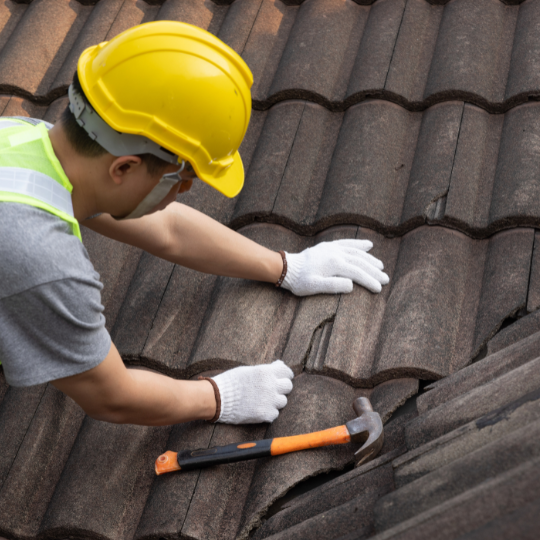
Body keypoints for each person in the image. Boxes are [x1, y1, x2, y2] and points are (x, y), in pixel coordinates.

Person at [0, 21, 389, 427]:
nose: (180, 193)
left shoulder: (24, 141)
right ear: (125, 166)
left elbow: (169, 230)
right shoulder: (41, 257)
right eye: (181, 180)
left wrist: (287, 266)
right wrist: (218, 396)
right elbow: (110, 396)